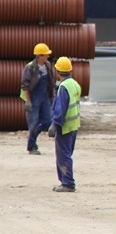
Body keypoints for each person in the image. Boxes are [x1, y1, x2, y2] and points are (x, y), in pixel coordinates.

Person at [48, 56, 81, 193]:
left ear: (58, 71)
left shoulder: (63, 87)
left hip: (65, 127)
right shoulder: (75, 84)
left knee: (63, 155)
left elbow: (60, 108)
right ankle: (66, 181)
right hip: (74, 126)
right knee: (67, 153)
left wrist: (54, 125)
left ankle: (67, 183)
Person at [20, 43, 56, 155]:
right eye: (46, 55)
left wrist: (52, 96)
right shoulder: (30, 67)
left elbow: (51, 82)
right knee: (33, 123)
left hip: (45, 97)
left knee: (47, 121)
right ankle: (31, 147)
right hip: (33, 98)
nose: (48, 56)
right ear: (40, 56)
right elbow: (25, 85)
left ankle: (33, 137)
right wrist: (28, 101)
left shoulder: (48, 66)